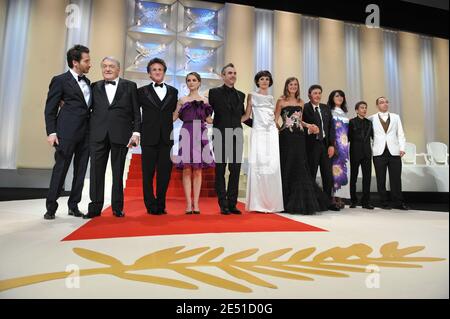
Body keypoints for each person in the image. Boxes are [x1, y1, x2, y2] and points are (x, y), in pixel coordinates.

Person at [83, 57, 141, 219]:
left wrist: (136, 133)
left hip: (121, 135)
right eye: (105, 66)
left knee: (118, 173)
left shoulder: (130, 86)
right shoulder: (94, 86)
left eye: (111, 66)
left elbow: (136, 112)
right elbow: (86, 110)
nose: (107, 69)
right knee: (96, 173)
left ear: (118, 69)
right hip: (97, 135)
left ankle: (117, 208)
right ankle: (94, 208)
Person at [43, 45, 92, 220]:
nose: (89, 64)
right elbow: (50, 108)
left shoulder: (88, 82)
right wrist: (52, 132)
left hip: (86, 134)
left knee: (80, 171)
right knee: (61, 169)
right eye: (86, 61)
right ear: (75, 62)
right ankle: (51, 207)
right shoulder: (60, 80)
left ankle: (74, 205)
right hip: (66, 132)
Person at [274, 77, 328, 214]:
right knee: (288, 166)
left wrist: (308, 125)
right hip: (286, 137)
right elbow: (274, 120)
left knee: (300, 166)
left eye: (295, 85)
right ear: (286, 86)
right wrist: (280, 129)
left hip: (299, 137)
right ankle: (285, 201)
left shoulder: (301, 102)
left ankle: (303, 201)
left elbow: (300, 120)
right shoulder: (281, 101)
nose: (293, 86)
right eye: (291, 84)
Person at [208, 63, 252, 215]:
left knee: (235, 169)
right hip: (220, 134)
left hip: (237, 134)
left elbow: (243, 117)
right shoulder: (213, 93)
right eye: (229, 73)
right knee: (220, 169)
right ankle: (223, 203)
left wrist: (263, 126)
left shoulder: (241, 95)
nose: (233, 75)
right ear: (223, 76)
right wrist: (208, 120)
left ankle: (233, 204)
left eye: (234, 73)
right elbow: (207, 112)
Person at [137, 58, 178, 215]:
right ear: (149, 74)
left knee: (165, 174)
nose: (157, 72)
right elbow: (135, 114)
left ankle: (161, 204)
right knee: (147, 174)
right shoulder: (141, 92)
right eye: (154, 69)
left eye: (160, 69)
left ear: (164, 72)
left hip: (166, 138)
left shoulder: (173, 91)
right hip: (148, 137)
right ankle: (150, 205)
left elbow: (175, 112)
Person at [241, 70, 283, 213]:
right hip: (258, 132)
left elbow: (273, 118)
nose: (264, 81)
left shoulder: (272, 98)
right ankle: (257, 203)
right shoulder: (251, 96)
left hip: (271, 133)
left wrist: (280, 128)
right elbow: (247, 116)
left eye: (267, 79)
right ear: (257, 81)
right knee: (258, 164)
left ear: (270, 82)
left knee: (272, 165)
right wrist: (230, 121)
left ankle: (272, 202)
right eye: (261, 79)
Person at [173, 72, 214, 215]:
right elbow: (173, 117)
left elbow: (209, 120)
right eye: (189, 80)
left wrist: (229, 118)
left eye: (194, 80)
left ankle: (196, 204)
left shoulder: (205, 100)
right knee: (186, 169)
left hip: (200, 133)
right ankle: (188, 204)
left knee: (198, 170)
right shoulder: (182, 100)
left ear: (199, 82)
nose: (191, 82)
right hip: (186, 133)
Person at [302, 84, 338, 211]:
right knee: (311, 173)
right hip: (311, 146)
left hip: (325, 146)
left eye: (319, 93)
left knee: (327, 175)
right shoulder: (304, 108)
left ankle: (328, 202)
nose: (317, 95)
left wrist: (332, 145)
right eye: (315, 93)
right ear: (309, 95)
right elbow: (301, 126)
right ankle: (312, 202)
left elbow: (331, 128)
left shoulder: (326, 108)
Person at [369, 96, 408, 210]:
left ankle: (398, 202)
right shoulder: (371, 118)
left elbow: (400, 133)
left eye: (386, 102)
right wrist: (372, 149)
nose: (385, 104)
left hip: (394, 151)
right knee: (380, 179)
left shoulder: (396, 117)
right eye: (382, 102)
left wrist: (402, 148)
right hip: (379, 152)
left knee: (396, 178)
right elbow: (369, 136)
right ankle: (384, 202)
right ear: (377, 105)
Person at [348, 101, 374, 209]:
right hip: (355, 152)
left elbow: (373, 137)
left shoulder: (369, 123)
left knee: (367, 178)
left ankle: (366, 202)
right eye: (362, 107)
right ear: (356, 110)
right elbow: (348, 138)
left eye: (365, 108)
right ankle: (353, 200)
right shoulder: (351, 122)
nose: (364, 110)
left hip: (367, 153)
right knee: (353, 177)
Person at [327, 90, 351, 209]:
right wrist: (332, 144)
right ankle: (332, 198)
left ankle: (340, 197)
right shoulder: (329, 111)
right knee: (334, 171)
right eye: (337, 95)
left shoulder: (344, 112)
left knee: (343, 172)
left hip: (345, 146)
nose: (340, 97)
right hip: (335, 144)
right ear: (332, 98)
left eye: (342, 95)